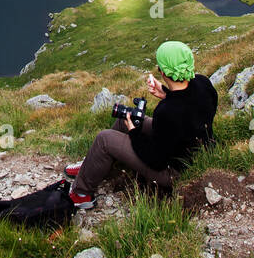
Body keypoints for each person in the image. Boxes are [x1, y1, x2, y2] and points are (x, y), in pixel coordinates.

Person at [67, 40, 218, 209]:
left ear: (163, 72)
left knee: (104, 139)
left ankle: (81, 194)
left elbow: (156, 160)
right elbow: (189, 107)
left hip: (173, 170)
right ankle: (91, 165)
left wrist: (134, 133)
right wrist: (167, 94)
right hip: (192, 148)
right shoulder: (202, 82)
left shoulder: (167, 112)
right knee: (125, 118)